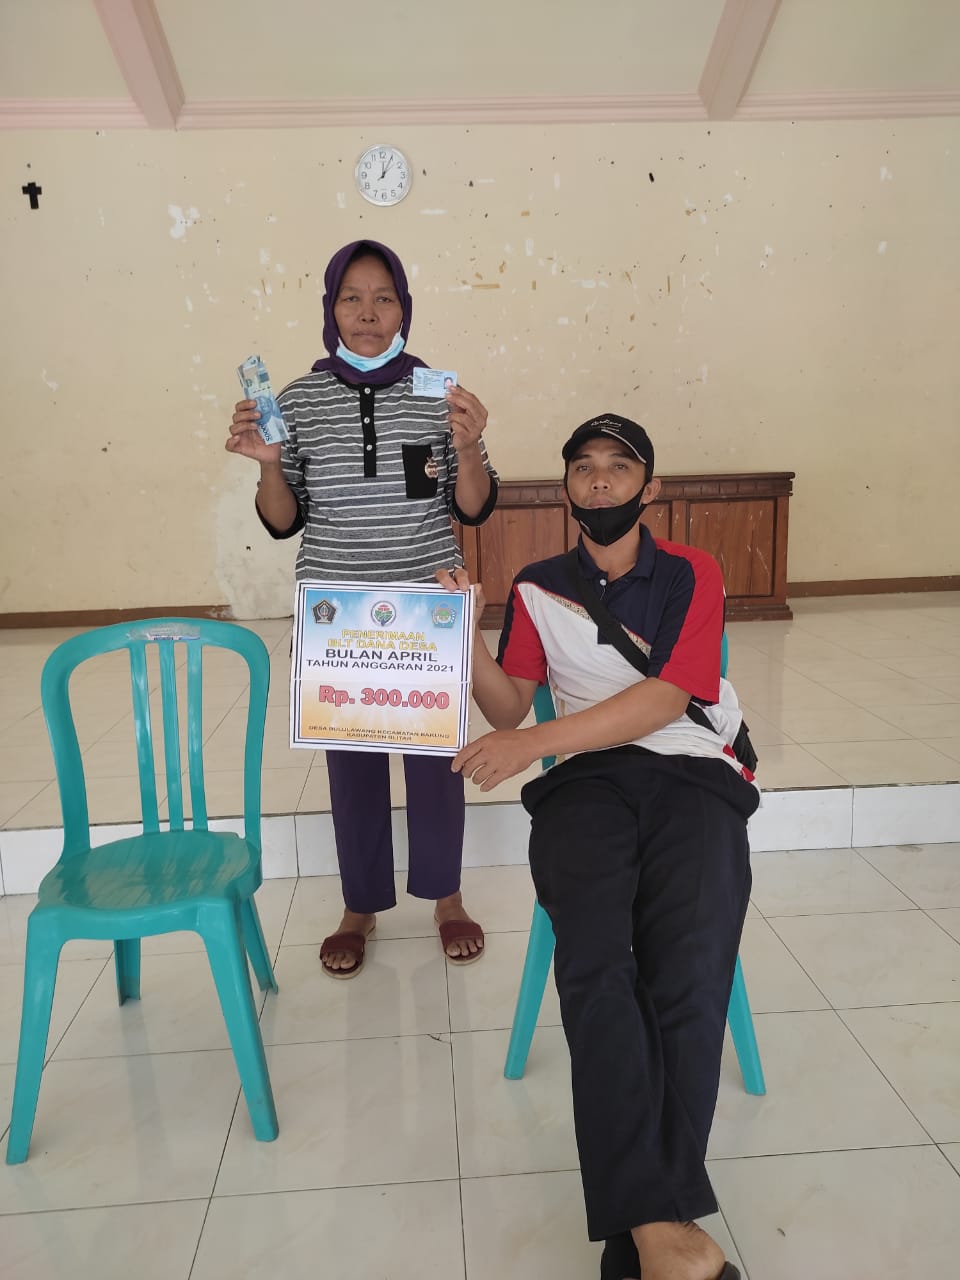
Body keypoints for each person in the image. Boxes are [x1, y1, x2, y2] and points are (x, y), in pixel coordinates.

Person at [438, 414, 757, 1280]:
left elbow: (666, 700)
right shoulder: (539, 586)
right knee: (594, 964)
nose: (602, 481)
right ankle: (666, 1231)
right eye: (585, 468)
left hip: (692, 775)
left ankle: (645, 1233)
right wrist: (462, 635)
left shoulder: (693, 570)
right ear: (567, 488)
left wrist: (531, 746)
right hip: (585, 787)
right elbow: (508, 706)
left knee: (689, 965)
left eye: (620, 467)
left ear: (650, 487)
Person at [227, 239, 498, 978]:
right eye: (352, 297)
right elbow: (284, 521)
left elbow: (473, 508)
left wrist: (471, 446)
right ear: (331, 308)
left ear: (404, 308)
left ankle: (446, 896)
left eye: (384, 298)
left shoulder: (440, 395)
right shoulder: (297, 401)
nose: (368, 313)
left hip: (425, 608)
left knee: (437, 764)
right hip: (337, 617)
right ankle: (360, 905)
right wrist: (270, 466)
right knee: (352, 769)